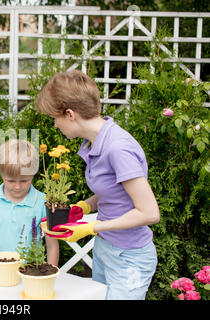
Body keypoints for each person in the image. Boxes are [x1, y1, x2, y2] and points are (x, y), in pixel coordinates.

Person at [36, 70, 160, 300]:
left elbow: (149, 212)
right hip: (106, 249)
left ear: (70, 114)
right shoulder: (95, 142)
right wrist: (84, 206)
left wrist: (91, 228)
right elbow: (116, 193)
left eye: (55, 118)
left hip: (129, 257)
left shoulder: (118, 148)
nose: (55, 125)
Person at [0, 139, 59, 269]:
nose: (17, 187)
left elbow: (52, 245)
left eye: (24, 180)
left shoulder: (43, 202)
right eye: (11, 181)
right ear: (2, 175)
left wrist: (49, 273)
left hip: (29, 273)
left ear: (33, 175)